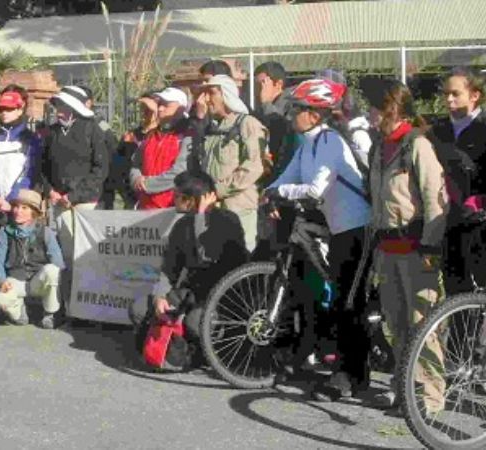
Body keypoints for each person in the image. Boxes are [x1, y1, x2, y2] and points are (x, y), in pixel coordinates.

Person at [265, 78, 372, 401]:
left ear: (315, 115)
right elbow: (288, 177)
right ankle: (338, 366)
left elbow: (314, 189)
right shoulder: (308, 144)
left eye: (298, 109)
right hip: (337, 228)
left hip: (357, 227)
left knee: (348, 303)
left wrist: (279, 192)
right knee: (337, 297)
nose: (291, 114)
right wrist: (271, 191)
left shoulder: (329, 142)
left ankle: (350, 376)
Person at [367, 79, 448, 413]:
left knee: (423, 326)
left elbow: (434, 197)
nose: (368, 113)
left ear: (392, 107)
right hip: (387, 249)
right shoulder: (379, 145)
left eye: (373, 106)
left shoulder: (416, 144)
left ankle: (429, 398)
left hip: (416, 250)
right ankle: (404, 391)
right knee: (396, 326)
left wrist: (430, 245)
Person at [129, 171, 248, 368]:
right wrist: (160, 297)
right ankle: (173, 347)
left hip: (222, 296)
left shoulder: (228, 220)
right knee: (139, 309)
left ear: (192, 200)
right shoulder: (182, 225)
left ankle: (206, 352)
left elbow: (207, 256)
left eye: (176, 196)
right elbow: (169, 267)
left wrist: (201, 217)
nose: (171, 199)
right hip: (190, 292)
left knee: (196, 323)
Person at [42, 85, 108, 308]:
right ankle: (71, 307)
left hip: (86, 204)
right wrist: (49, 190)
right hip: (59, 202)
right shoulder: (51, 132)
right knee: (67, 257)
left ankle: (91, 308)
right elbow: (42, 167)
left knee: (87, 257)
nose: (58, 110)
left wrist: (75, 195)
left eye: (63, 105)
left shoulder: (92, 130)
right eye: (57, 105)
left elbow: (100, 170)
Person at [192, 75, 267, 252]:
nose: (207, 99)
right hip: (213, 208)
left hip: (238, 209)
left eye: (211, 93)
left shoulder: (247, 124)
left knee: (240, 262)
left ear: (226, 95)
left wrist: (220, 190)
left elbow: (254, 166)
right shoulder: (211, 129)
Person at [430, 67, 486, 295]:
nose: (449, 99)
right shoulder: (437, 130)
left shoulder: (483, 128)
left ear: (475, 95)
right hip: (448, 223)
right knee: (455, 291)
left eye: (455, 93)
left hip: (480, 224)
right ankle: (460, 331)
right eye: (445, 94)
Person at [0, 86, 42, 244]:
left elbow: (30, 171)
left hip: (17, 206)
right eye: (2, 109)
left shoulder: (30, 137)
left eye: (9, 109)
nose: (4, 112)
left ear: (20, 109)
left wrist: (13, 199)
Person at [0, 189, 65, 329]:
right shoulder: (4, 232)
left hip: (38, 280)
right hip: (16, 279)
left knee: (52, 271)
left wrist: (59, 284)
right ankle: (20, 313)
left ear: (34, 212)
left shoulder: (45, 232)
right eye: (16, 206)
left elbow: (58, 261)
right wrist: (1, 280)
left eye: (24, 208)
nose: (18, 211)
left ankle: (51, 313)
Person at [129, 87, 191, 210]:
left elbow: (180, 172)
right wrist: (136, 179)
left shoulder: (187, 136)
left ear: (181, 108)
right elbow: (136, 164)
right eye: (160, 104)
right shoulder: (151, 135)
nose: (160, 108)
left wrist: (147, 184)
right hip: (145, 207)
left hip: (173, 209)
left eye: (166, 105)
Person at [108, 92, 159, 210]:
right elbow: (118, 168)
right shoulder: (131, 136)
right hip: (132, 195)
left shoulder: (163, 135)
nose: (144, 113)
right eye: (142, 108)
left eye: (149, 109)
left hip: (156, 196)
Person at [253, 61, 292, 183]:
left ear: (278, 84)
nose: (258, 91)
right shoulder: (261, 109)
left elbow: (283, 127)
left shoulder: (291, 105)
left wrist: (266, 104)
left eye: (262, 85)